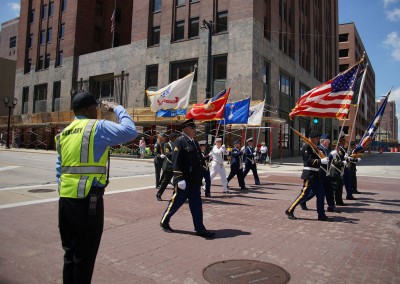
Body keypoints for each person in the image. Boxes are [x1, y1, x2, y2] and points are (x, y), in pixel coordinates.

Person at [55, 91, 138, 283]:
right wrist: (117, 108)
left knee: (69, 254)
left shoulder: (64, 133)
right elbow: (130, 131)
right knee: (84, 257)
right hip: (88, 202)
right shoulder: (96, 127)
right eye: (97, 110)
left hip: (66, 202)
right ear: (91, 108)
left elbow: (59, 170)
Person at [159, 118, 215, 238]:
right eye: (193, 128)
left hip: (194, 181)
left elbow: (197, 159)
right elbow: (176, 161)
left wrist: (206, 159)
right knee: (175, 204)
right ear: (186, 129)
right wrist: (179, 179)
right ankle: (164, 221)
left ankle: (200, 228)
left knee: (197, 206)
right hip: (184, 182)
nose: (195, 130)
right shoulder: (180, 142)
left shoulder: (194, 142)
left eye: (195, 128)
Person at [285, 131, 332, 221]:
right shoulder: (306, 147)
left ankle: (321, 214)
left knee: (321, 195)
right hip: (309, 175)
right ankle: (289, 210)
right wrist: (320, 161)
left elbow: (320, 157)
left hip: (316, 175)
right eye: (317, 138)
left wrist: (327, 158)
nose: (318, 140)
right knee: (303, 194)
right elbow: (309, 160)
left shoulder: (315, 147)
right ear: (312, 138)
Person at [319, 134, 340, 213]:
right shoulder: (319, 149)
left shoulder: (326, 149)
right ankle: (303, 202)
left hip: (327, 173)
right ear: (323, 141)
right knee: (314, 192)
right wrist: (331, 155)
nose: (329, 142)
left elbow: (331, 160)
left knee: (329, 190)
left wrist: (333, 156)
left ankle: (331, 206)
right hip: (322, 173)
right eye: (328, 141)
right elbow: (325, 159)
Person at [156, 132, 179, 201]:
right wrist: (176, 153)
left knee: (176, 181)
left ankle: (175, 195)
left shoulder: (177, 144)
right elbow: (168, 154)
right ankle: (159, 194)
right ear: (172, 138)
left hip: (175, 166)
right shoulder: (167, 144)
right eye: (176, 138)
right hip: (168, 166)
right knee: (165, 181)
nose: (177, 139)